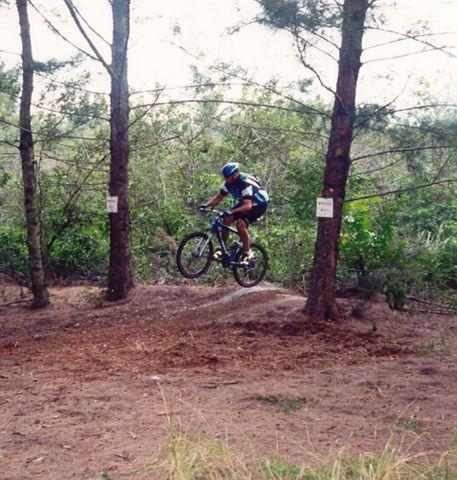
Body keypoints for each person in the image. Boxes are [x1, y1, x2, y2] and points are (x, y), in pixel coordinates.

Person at [201, 162, 269, 264]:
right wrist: (206, 205)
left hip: (259, 205)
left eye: (227, 177)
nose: (226, 179)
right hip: (247, 202)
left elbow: (247, 206)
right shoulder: (228, 184)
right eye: (225, 177)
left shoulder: (244, 184)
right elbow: (218, 198)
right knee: (227, 219)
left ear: (234, 175)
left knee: (240, 224)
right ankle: (221, 250)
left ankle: (248, 253)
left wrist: (231, 211)